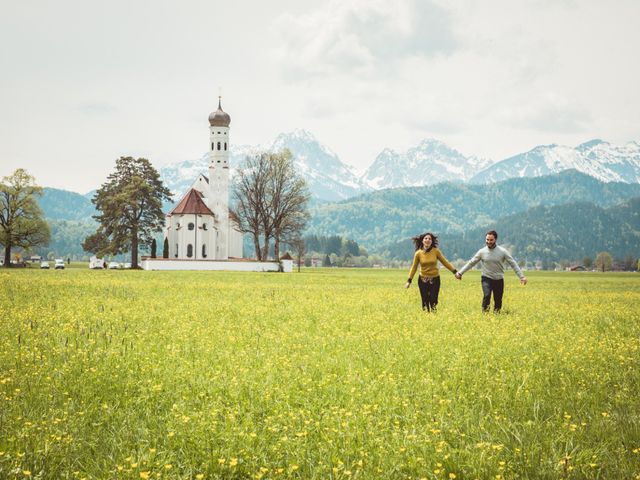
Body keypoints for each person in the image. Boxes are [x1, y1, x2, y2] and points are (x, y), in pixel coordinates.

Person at [455, 230, 527, 312]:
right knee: (487, 295)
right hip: (486, 278)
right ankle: (485, 316)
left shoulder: (503, 251)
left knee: (498, 300)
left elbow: (513, 264)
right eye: (487, 240)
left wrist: (522, 277)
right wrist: (460, 273)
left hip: (499, 279)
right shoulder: (482, 252)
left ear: (495, 240)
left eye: (491, 240)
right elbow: (471, 263)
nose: (489, 242)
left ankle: (497, 316)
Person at [404, 232, 457, 312]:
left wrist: (455, 272)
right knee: (425, 300)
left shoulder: (436, 251)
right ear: (422, 240)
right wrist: (409, 281)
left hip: (435, 279)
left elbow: (445, 262)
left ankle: (433, 314)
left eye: (429, 239)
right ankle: (426, 316)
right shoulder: (418, 253)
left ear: (432, 241)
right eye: (426, 238)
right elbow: (414, 267)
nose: (427, 240)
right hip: (422, 280)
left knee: (433, 300)